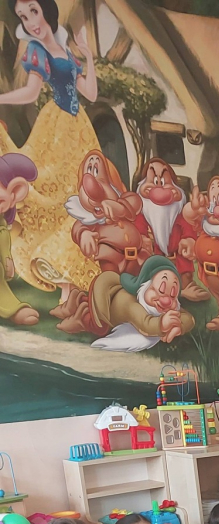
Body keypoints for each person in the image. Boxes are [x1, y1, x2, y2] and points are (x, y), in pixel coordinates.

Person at [0, 0, 101, 310]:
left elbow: (91, 93)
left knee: (83, 196)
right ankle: (64, 288)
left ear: (46, 10)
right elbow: (31, 92)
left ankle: (74, 287)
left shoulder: (66, 52)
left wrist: (89, 56)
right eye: (23, 16)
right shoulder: (36, 51)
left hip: (79, 128)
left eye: (33, 11)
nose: (30, 21)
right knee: (57, 196)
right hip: (56, 127)